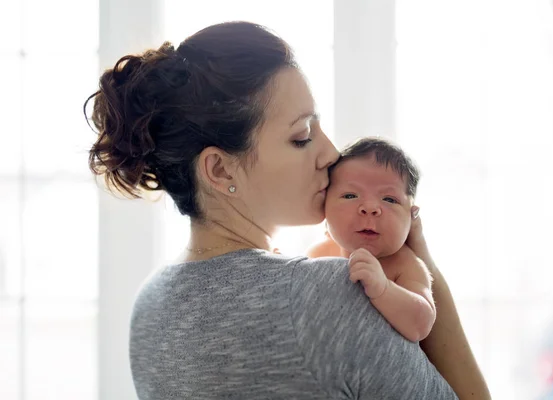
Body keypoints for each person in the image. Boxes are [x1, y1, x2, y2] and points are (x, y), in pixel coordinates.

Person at [85, 21, 489, 399]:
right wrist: (422, 263)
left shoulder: (149, 308)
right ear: (220, 168)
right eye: (301, 137)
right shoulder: (327, 295)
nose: (330, 153)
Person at [307, 137, 436, 343]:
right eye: (350, 195)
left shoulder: (404, 265)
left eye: (389, 199)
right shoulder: (317, 254)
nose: (370, 207)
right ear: (324, 207)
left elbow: (421, 324)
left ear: (411, 215)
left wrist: (384, 288)